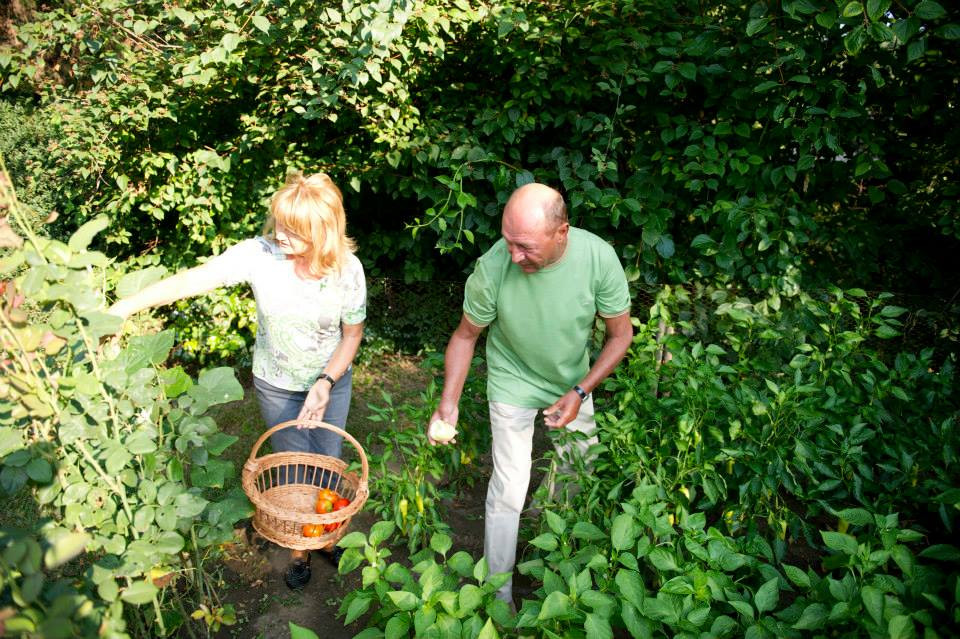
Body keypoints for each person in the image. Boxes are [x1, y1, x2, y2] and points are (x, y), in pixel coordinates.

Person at [108, 171, 366, 590]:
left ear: (322, 233)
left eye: (294, 231)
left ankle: (322, 536)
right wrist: (126, 305)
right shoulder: (258, 255)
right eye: (279, 223)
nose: (281, 235)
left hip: (331, 382)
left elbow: (351, 334)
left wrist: (325, 381)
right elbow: (193, 279)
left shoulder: (347, 270)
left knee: (329, 462)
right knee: (294, 469)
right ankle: (299, 550)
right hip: (277, 384)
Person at [428, 182, 633, 607]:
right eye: (508, 242)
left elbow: (620, 335)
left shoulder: (597, 257)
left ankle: (557, 572)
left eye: (525, 246)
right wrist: (447, 406)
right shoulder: (494, 265)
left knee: (579, 474)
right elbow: (466, 337)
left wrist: (581, 390)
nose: (514, 255)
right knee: (508, 488)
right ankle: (498, 596)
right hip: (512, 379)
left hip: (571, 381)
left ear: (562, 233)